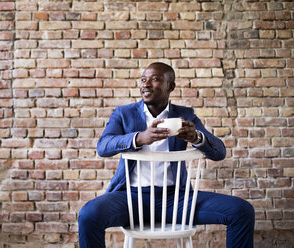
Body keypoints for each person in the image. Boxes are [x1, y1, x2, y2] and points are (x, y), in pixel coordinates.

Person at [78, 62, 255, 247]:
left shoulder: (185, 115)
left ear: (171, 86)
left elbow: (219, 152)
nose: (145, 84)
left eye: (154, 79)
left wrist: (196, 137)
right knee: (89, 215)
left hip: (176, 200)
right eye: (143, 79)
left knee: (241, 211)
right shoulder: (123, 114)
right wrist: (140, 137)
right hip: (130, 199)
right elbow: (103, 146)